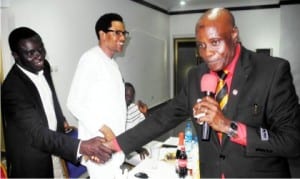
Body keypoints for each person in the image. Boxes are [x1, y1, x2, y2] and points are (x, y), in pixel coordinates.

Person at [106, 8, 300, 178]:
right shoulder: (195, 76)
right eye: (201, 45)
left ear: (234, 35)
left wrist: (228, 126)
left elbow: (292, 141)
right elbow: (162, 119)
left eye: (215, 42)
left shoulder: (271, 72)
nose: (206, 53)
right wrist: (114, 145)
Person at [1, 27, 113, 178]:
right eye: (30, 53)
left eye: (40, 49)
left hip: (54, 146)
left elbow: (50, 97)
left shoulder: (43, 66)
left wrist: (60, 119)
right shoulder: (12, 89)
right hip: (32, 160)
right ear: (15, 55)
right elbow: (37, 134)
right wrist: (82, 146)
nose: (39, 56)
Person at [67, 13, 129, 178]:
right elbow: (73, 102)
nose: (122, 37)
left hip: (115, 142)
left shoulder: (112, 65)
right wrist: (106, 130)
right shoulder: (90, 59)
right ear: (102, 34)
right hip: (100, 145)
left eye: (124, 33)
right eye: (117, 32)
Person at [124, 82, 149, 163]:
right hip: (126, 151)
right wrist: (138, 149)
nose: (129, 99)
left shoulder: (134, 108)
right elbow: (123, 138)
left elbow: (146, 125)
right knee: (145, 161)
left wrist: (145, 113)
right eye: (127, 96)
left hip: (139, 144)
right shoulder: (117, 113)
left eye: (131, 96)